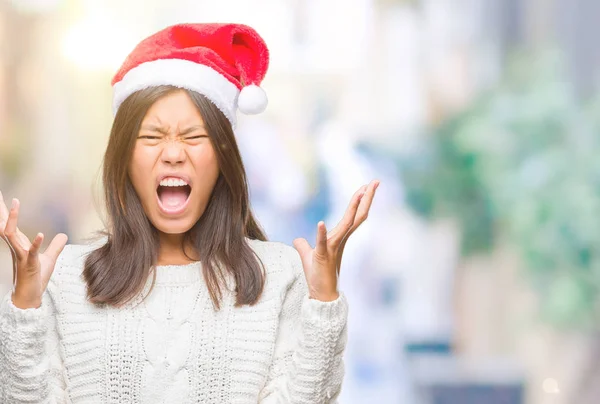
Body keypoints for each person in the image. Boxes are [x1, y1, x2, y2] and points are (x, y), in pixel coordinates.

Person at [0, 23, 379, 403]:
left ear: (223, 156)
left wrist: (324, 299)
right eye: (151, 137)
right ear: (124, 158)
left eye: (194, 136)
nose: (173, 153)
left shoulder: (279, 275)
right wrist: (24, 307)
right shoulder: (65, 277)